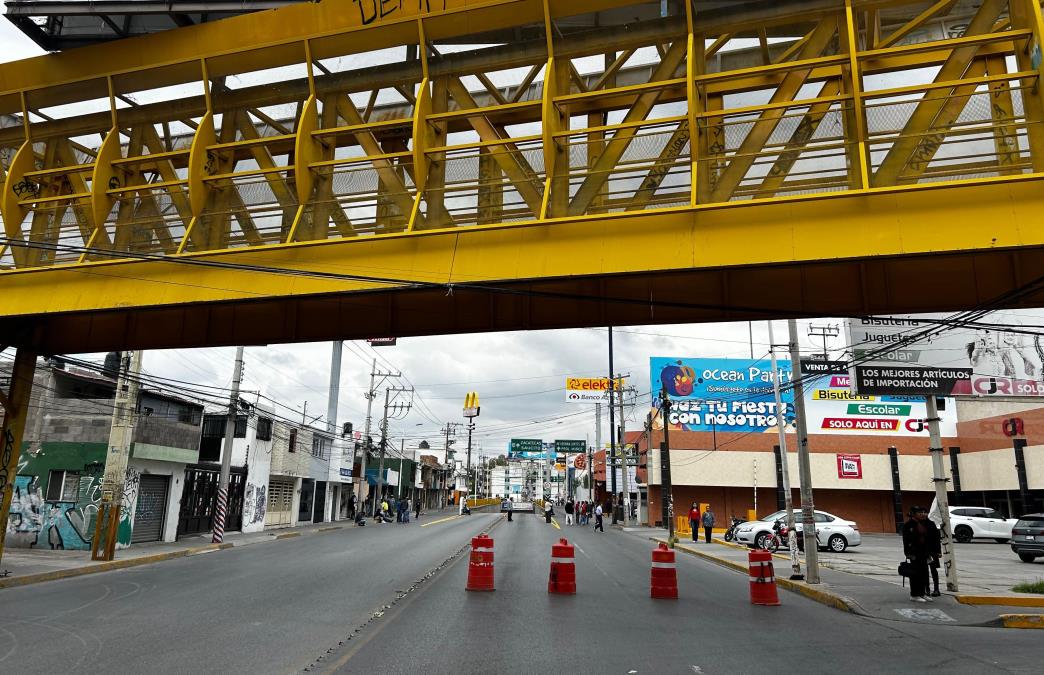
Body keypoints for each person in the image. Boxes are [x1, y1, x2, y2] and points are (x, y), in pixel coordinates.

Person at [902, 506, 934, 603]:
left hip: (923, 552)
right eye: (919, 512)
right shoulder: (908, 525)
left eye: (923, 512)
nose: (922, 514)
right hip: (914, 553)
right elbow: (906, 540)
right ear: (914, 514)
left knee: (924, 573)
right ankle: (914, 594)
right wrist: (908, 553)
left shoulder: (923, 523)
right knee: (915, 574)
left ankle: (922, 593)